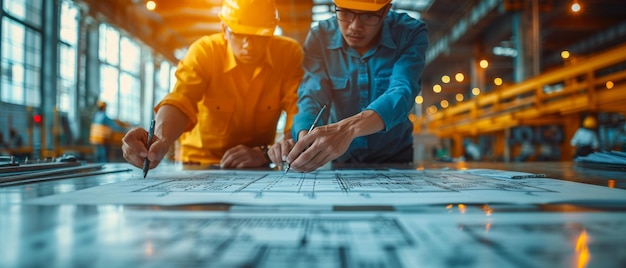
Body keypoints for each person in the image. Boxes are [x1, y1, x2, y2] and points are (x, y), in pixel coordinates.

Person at [122, 0, 303, 170]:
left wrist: (269, 152)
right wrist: (159, 140)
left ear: (272, 31)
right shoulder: (205, 52)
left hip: (255, 162)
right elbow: (182, 99)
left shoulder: (288, 55)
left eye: (259, 35)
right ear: (224, 29)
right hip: (199, 163)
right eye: (239, 34)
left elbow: (299, 112)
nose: (249, 45)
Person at [267, 0, 428, 172]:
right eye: (345, 13)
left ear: (387, 10)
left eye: (368, 16)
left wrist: (348, 129)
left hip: (395, 158)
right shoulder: (320, 37)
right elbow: (311, 95)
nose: (354, 26)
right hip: (342, 160)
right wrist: (304, 138)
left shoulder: (410, 33)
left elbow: (402, 92)